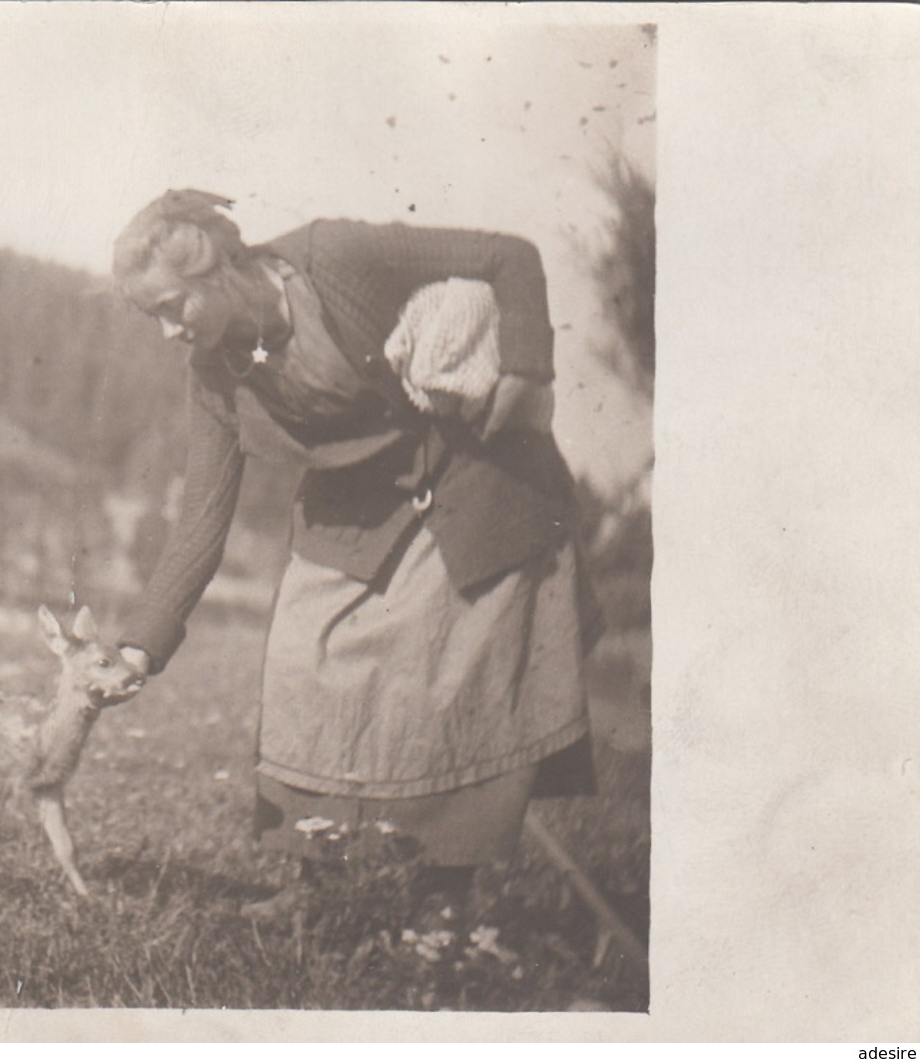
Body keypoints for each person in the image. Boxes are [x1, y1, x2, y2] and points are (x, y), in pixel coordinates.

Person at [111, 190, 600, 928]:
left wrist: (528, 370)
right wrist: (138, 646)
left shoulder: (334, 257)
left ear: (216, 271)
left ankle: (444, 903)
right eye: (148, 315)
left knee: (455, 678)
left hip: (468, 478)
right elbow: (203, 517)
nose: (164, 331)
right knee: (302, 660)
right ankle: (318, 883)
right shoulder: (214, 374)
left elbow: (508, 254)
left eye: (170, 306)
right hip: (354, 508)